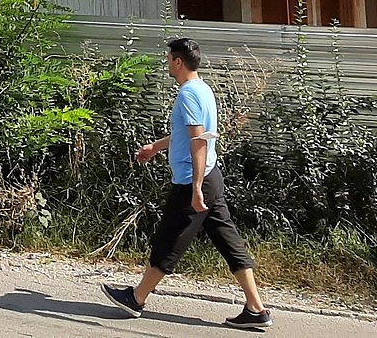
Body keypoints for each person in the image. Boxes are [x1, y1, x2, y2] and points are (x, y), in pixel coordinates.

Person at [102, 37, 272, 330]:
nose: (167, 63)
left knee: (169, 239)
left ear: (178, 62)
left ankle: (137, 298)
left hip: (194, 181)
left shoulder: (188, 94)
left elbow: (198, 141)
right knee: (228, 241)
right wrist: (155, 147)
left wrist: (195, 187)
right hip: (211, 177)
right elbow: (186, 134)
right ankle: (256, 308)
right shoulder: (202, 89)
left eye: (169, 59)